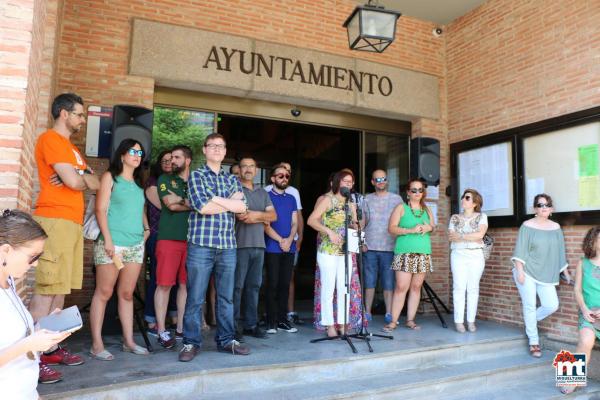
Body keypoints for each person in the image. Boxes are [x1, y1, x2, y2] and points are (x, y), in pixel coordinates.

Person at [30, 93, 99, 382]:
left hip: (71, 223)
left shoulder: (73, 151)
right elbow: (75, 182)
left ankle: (51, 348)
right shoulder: (50, 140)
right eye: (79, 114)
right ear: (63, 114)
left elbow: (95, 182)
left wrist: (80, 174)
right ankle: (30, 359)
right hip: (53, 220)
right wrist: (79, 178)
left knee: (61, 289)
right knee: (46, 289)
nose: (82, 120)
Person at [179, 133, 250, 362]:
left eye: (221, 146)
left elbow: (242, 208)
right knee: (196, 298)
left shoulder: (232, 179)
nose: (217, 149)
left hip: (228, 246)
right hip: (201, 245)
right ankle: (190, 343)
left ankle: (227, 340)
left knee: (226, 297)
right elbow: (202, 207)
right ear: (205, 150)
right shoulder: (197, 175)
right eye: (213, 146)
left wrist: (216, 199)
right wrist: (229, 202)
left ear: (225, 151)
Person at [0, 209, 72, 398]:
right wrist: (28, 344)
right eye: (33, 256)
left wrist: (41, 330)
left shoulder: (10, 283)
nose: (35, 264)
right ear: (6, 250)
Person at [89, 139, 150, 360]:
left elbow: (139, 208)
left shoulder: (138, 183)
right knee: (104, 293)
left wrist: (146, 228)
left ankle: (129, 341)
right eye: (133, 151)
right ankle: (96, 344)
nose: (137, 155)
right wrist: (107, 240)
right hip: (112, 243)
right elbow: (100, 209)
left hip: (135, 245)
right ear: (122, 155)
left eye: (140, 152)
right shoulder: (110, 177)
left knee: (126, 294)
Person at [512, 193, 571, 358]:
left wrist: (565, 273)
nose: (543, 207)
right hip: (526, 271)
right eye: (540, 205)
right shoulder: (527, 225)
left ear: (551, 209)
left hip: (547, 273)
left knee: (552, 305)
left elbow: (560, 252)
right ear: (535, 209)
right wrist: (520, 271)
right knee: (529, 305)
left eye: (546, 205)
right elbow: (520, 251)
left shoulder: (556, 227)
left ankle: (529, 321)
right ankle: (534, 342)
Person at [308, 170, 359, 338]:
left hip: (346, 252)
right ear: (337, 182)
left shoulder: (350, 204)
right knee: (328, 289)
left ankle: (343, 324)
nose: (348, 184)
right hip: (328, 251)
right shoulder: (327, 200)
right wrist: (328, 231)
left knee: (344, 289)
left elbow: (354, 225)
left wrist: (355, 228)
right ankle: (329, 325)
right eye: (345, 181)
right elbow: (311, 220)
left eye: (350, 182)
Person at [383, 178, 435, 332]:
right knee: (401, 287)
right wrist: (410, 230)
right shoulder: (401, 208)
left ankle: (410, 320)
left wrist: (428, 228)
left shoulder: (427, 209)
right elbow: (391, 229)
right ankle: (393, 321)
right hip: (405, 252)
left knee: (416, 287)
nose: (418, 193)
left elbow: (433, 227)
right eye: (414, 190)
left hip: (423, 252)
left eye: (420, 190)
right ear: (408, 192)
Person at [154, 145, 192, 348]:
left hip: (192, 240)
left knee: (186, 285)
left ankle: (181, 329)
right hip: (169, 239)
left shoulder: (196, 180)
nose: (171, 161)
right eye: (170, 158)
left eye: (176, 158)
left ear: (187, 161)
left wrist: (184, 200)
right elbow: (170, 204)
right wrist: (192, 203)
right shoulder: (165, 179)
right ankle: (161, 331)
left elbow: (201, 203)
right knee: (164, 284)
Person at [234, 157, 276, 340]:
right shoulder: (234, 189)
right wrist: (262, 216)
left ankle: (251, 325)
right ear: (240, 170)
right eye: (244, 166)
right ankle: (234, 327)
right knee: (236, 288)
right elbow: (241, 216)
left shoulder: (262, 192)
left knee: (253, 286)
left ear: (256, 170)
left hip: (259, 245)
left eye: (251, 166)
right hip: (239, 245)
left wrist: (256, 215)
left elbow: (273, 216)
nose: (248, 169)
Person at [560, 227, 600, 395]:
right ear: (593, 241)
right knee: (585, 340)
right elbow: (577, 290)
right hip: (588, 314)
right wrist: (584, 309)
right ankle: (571, 379)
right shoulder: (583, 262)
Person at [265, 162, 304, 324]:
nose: (284, 178)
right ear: (273, 178)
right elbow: (265, 224)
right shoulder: (266, 195)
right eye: (280, 176)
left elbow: (295, 222)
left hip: (289, 246)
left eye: (287, 176)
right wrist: (281, 240)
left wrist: (290, 240)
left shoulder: (292, 198)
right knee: (272, 284)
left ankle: (282, 320)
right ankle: (270, 321)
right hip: (272, 246)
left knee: (285, 284)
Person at [143, 150, 177, 335]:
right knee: (158, 280)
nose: (168, 163)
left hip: (175, 237)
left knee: (173, 281)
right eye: (164, 160)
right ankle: (151, 320)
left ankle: (172, 317)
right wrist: (177, 201)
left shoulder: (177, 182)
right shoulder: (152, 182)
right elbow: (166, 207)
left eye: (171, 160)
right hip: (158, 236)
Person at [363, 169, 403, 324]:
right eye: (377, 179)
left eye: (383, 179)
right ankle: (367, 312)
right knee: (369, 282)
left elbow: (401, 221)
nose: (381, 182)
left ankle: (389, 313)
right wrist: (362, 242)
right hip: (370, 247)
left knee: (389, 282)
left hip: (390, 247)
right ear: (372, 182)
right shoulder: (366, 199)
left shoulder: (397, 199)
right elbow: (361, 222)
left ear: (387, 181)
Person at [448, 189, 488, 333]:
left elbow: (480, 234)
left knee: (473, 288)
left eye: (467, 198)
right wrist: (471, 236)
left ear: (475, 202)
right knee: (459, 287)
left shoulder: (482, 217)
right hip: (458, 254)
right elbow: (452, 236)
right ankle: (459, 321)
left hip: (476, 255)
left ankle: (471, 321)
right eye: (463, 197)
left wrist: (462, 236)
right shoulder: (454, 217)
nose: (463, 200)